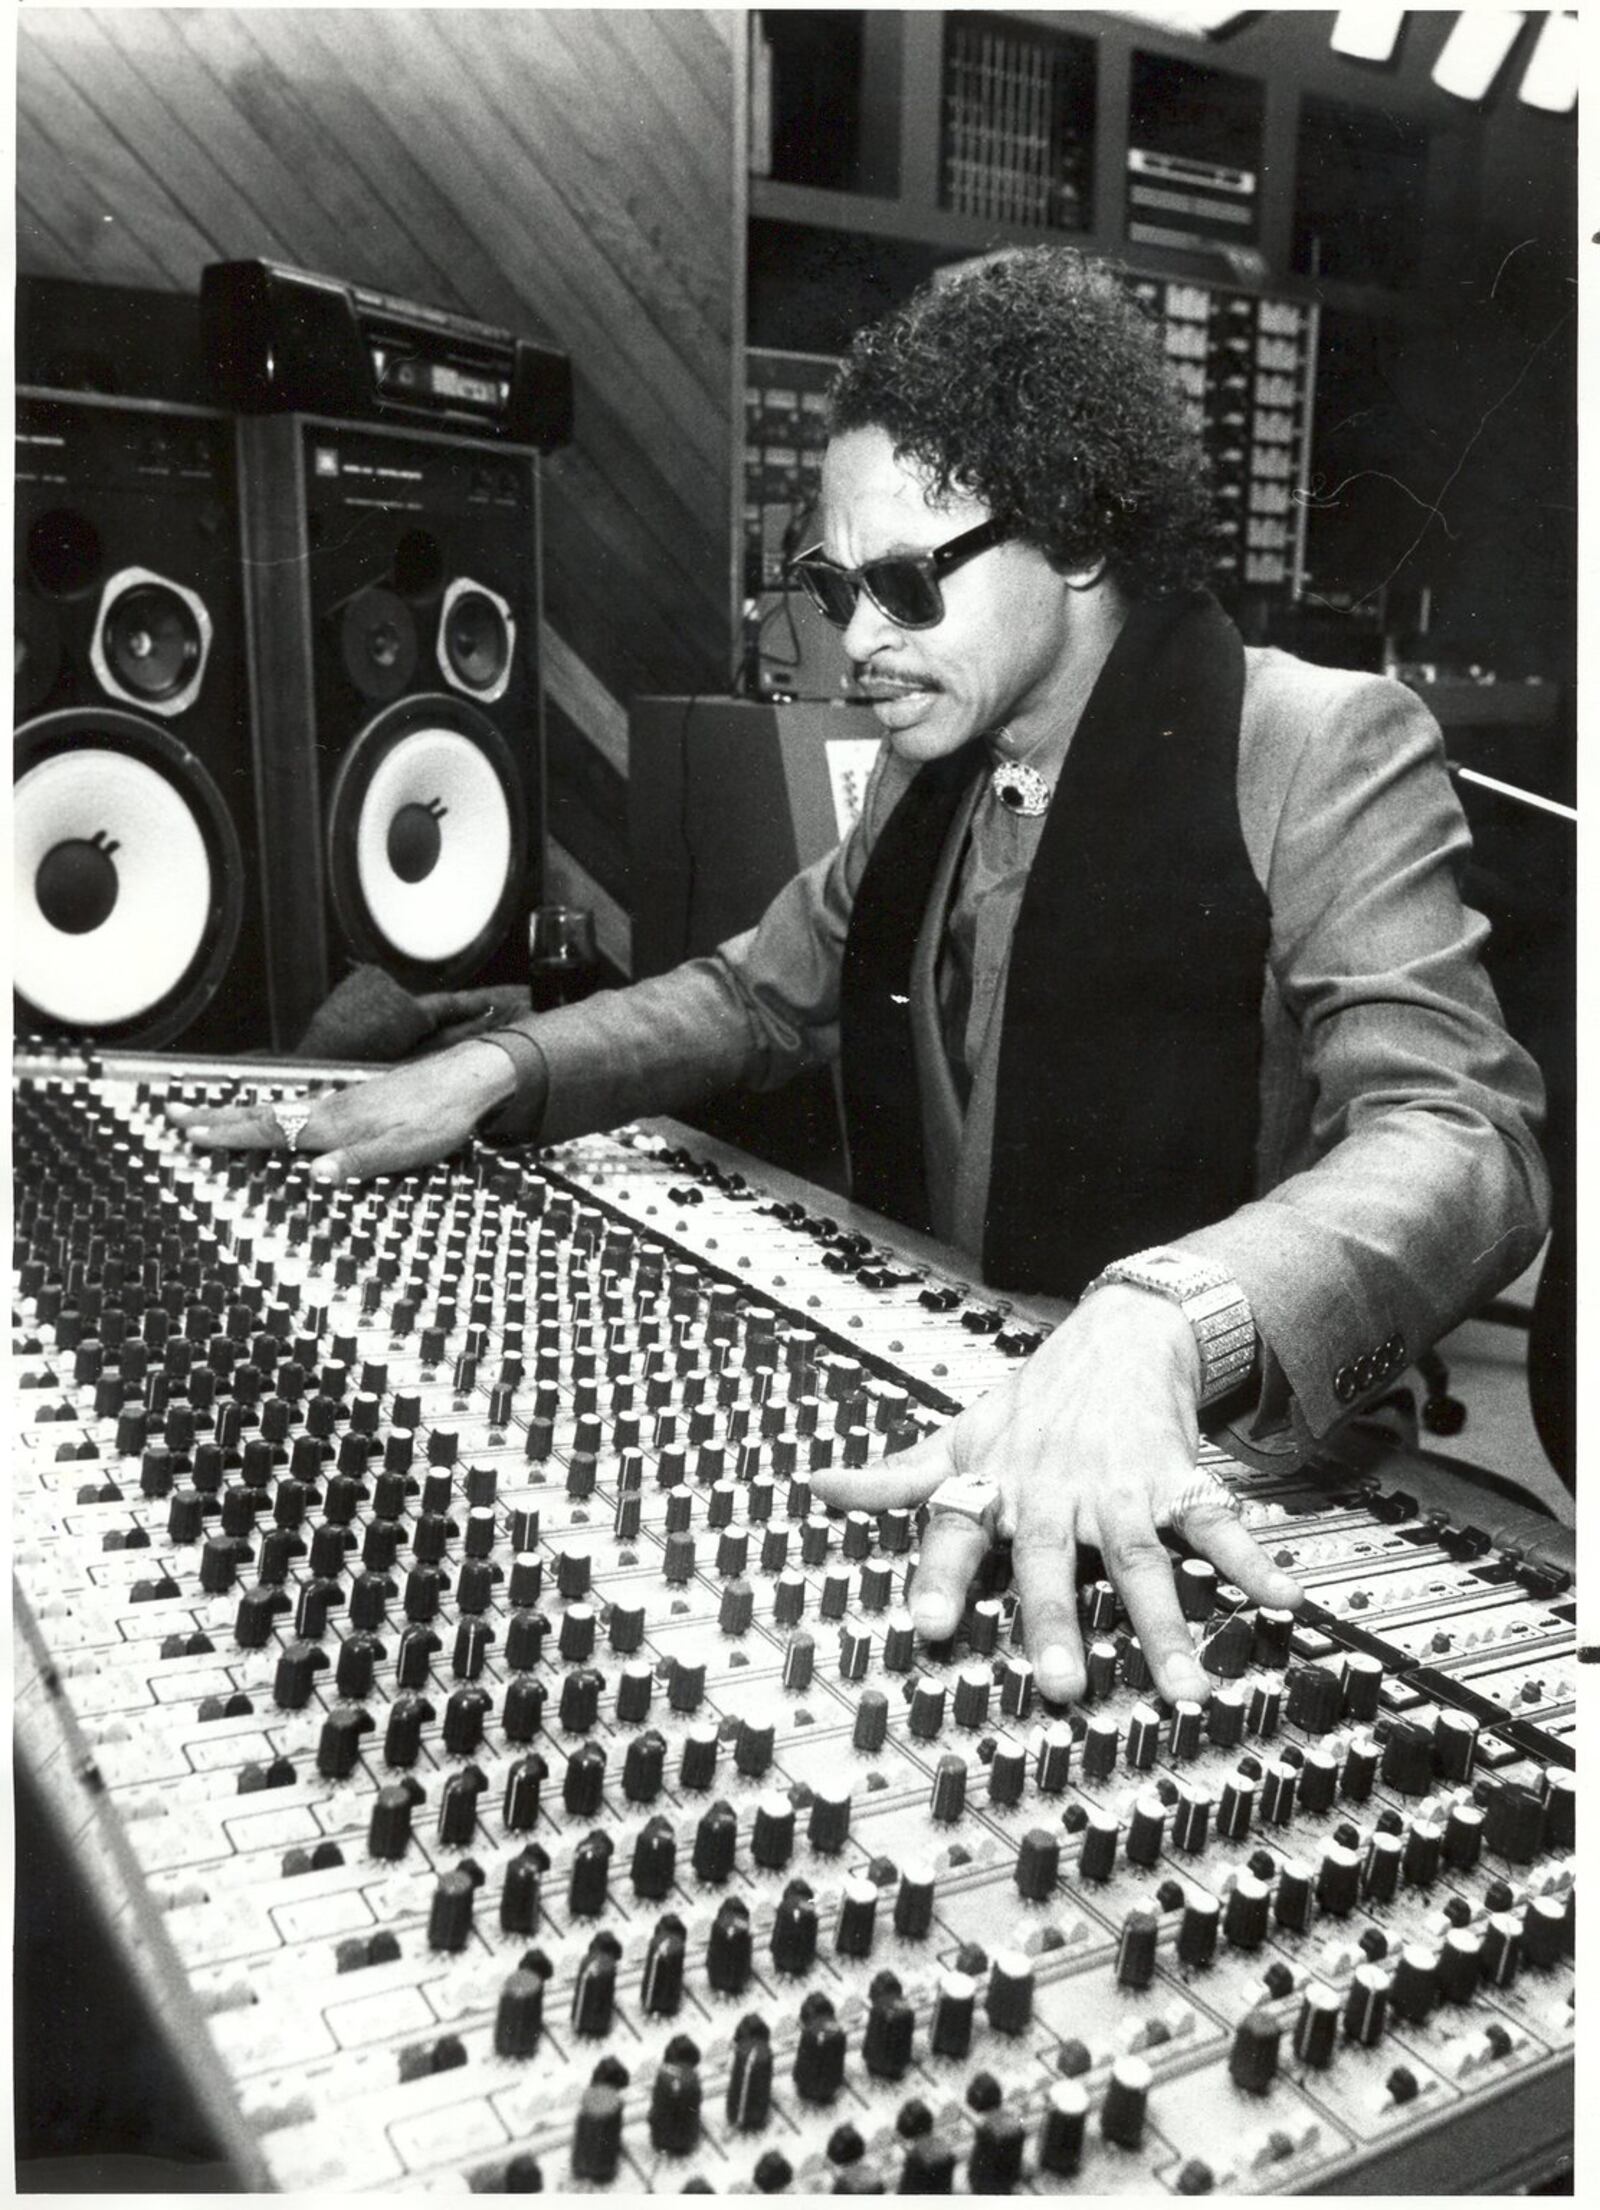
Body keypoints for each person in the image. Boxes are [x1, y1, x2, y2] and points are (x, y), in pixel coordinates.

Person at [173, 249, 1548, 1708]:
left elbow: (1467, 1138)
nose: (859, 639)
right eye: (836, 584)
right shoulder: (930, 761)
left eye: (904, 581)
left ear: (1078, 535)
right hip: (966, 1399)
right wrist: (501, 1068)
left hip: (1241, 1453)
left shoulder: (1316, 741)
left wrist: (1165, 1318)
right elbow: (757, 993)